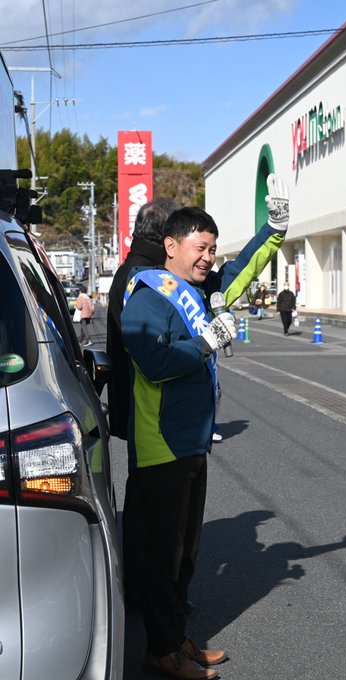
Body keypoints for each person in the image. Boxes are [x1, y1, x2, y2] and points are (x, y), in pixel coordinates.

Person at [120, 174, 289, 680]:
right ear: (171, 246)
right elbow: (153, 361)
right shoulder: (147, 296)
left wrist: (273, 231)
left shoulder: (196, 287)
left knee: (185, 553)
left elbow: (239, 273)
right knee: (164, 556)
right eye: (201, 247)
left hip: (191, 442)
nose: (209, 257)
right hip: (162, 444)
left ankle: (175, 640)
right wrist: (206, 343)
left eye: (212, 248)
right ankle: (162, 651)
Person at [106, 197, 178, 612]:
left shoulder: (130, 269)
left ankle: (140, 589)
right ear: (167, 238)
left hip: (135, 404)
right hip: (148, 407)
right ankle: (145, 595)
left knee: (143, 503)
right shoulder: (145, 277)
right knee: (152, 508)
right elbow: (154, 352)